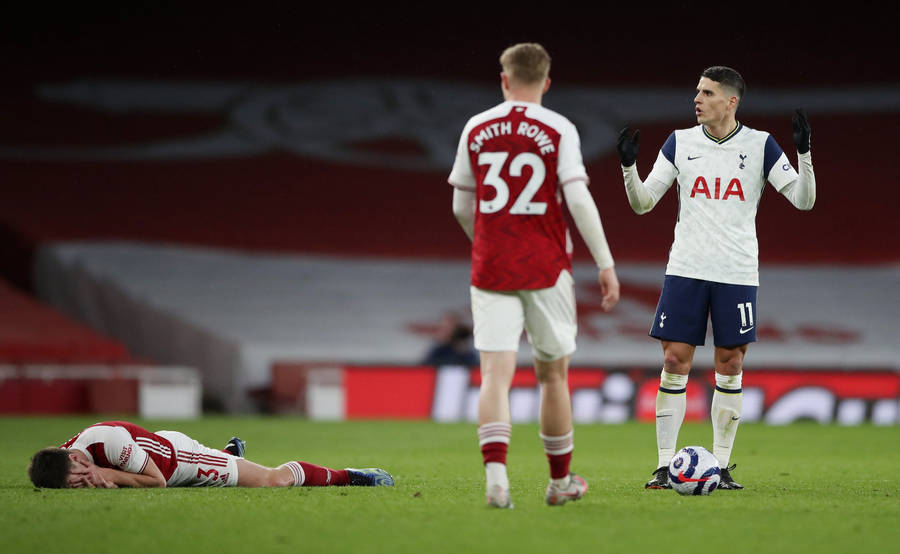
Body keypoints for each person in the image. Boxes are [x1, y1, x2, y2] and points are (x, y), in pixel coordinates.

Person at [616, 66, 815, 490]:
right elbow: (644, 203)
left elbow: (803, 201)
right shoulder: (680, 141)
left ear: (731, 101)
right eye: (697, 92)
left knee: (731, 364)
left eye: (707, 93)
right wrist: (629, 168)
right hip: (686, 268)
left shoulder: (761, 145)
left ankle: (721, 466)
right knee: (673, 362)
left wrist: (804, 154)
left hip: (736, 272)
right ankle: (664, 466)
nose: (698, 99)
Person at [448, 43, 620, 508]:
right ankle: (560, 482)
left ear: (504, 79)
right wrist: (604, 263)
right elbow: (578, 200)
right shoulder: (558, 127)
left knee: (493, 375)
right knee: (552, 376)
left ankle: (497, 480)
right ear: (546, 82)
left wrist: (486, 242)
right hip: (546, 265)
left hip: (492, 265)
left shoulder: (477, 127)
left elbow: (461, 205)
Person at [28, 420, 395, 489]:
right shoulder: (62, 460)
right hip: (158, 450)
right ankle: (229, 453)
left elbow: (156, 482)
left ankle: (351, 475)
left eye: (81, 479)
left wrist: (112, 477)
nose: (84, 485)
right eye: (75, 488)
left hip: (181, 461)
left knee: (273, 480)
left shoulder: (105, 441)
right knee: (232, 464)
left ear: (78, 461)